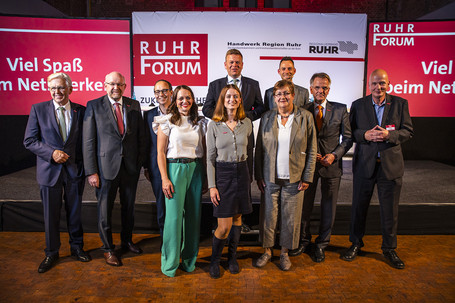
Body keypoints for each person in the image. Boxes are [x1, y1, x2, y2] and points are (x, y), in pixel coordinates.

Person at [342, 69, 413, 269]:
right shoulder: (358, 105)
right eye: (374, 84)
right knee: (358, 207)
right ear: (369, 86)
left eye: (382, 83)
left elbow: (408, 131)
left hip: (390, 167)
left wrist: (389, 136)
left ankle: (389, 249)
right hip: (365, 165)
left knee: (390, 211)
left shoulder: (400, 104)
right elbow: (352, 133)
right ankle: (355, 243)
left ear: (388, 84)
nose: (378, 87)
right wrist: (365, 135)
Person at [24, 72, 91, 273]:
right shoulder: (38, 109)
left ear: (70, 89)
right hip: (49, 172)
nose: (57, 92)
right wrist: (51, 153)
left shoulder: (82, 111)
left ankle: (77, 248)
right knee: (50, 214)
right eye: (53, 88)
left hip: (74, 172)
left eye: (61, 87)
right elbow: (29, 140)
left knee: (75, 213)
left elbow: (85, 143)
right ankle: (51, 252)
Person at [83, 71, 146, 267]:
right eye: (111, 84)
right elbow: (88, 141)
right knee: (104, 210)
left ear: (125, 86)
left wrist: (139, 164)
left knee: (129, 208)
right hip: (104, 169)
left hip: (130, 168)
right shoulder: (94, 106)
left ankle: (127, 241)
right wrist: (91, 171)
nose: (115, 88)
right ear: (104, 85)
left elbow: (141, 138)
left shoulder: (133, 105)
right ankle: (108, 248)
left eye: (119, 84)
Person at [254, 80, 317, 271]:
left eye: (286, 93)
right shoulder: (266, 117)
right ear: (274, 98)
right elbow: (259, 150)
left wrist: (307, 176)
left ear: (293, 95)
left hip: (295, 178)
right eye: (279, 94)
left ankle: (284, 253)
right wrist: (259, 176)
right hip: (270, 177)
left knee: (290, 217)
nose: (283, 97)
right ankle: (267, 251)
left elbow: (313, 149)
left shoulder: (305, 117)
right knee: (269, 217)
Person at [289, 73, 352, 261]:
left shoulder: (340, 110)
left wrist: (334, 155)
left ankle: (322, 244)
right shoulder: (303, 109)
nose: (320, 91)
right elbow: (297, 138)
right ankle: (304, 240)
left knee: (328, 206)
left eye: (324, 87)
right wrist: (308, 153)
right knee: (304, 206)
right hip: (308, 166)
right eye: (317, 87)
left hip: (331, 166)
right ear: (311, 89)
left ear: (329, 90)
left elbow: (348, 138)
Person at [202, 48, 265, 232]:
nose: (234, 65)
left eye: (237, 62)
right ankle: (222, 218)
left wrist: (244, 118)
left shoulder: (253, 84)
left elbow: (261, 107)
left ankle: (241, 217)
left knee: (245, 174)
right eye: (231, 62)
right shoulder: (215, 85)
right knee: (224, 184)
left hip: (244, 135)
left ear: (242, 65)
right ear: (225, 65)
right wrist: (225, 117)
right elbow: (207, 109)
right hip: (223, 136)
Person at [154, 85, 207, 277]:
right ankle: (169, 263)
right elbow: (160, 152)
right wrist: (164, 178)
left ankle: (189, 261)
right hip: (174, 170)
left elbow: (205, 150)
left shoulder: (200, 122)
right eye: (181, 98)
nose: (185, 102)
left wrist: (207, 178)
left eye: (188, 98)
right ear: (175, 101)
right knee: (174, 220)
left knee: (193, 218)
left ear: (193, 100)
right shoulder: (167, 121)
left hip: (195, 169)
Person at [206, 84, 253, 279]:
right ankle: (215, 261)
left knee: (237, 219)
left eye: (235, 96)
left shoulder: (247, 123)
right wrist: (212, 186)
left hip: (241, 172)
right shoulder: (214, 125)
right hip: (223, 174)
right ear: (222, 101)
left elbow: (250, 152)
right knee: (223, 226)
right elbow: (209, 158)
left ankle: (232, 258)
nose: (232, 99)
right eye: (228, 97)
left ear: (240, 100)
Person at [144, 79, 173, 237]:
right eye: (157, 92)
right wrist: (147, 167)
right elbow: (146, 143)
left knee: (177, 206)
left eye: (164, 91)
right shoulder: (148, 115)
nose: (161, 94)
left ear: (171, 92)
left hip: (178, 166)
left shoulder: (180, 113)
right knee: (161, 206)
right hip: (156, 168)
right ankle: (165, 241)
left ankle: (179, 239)